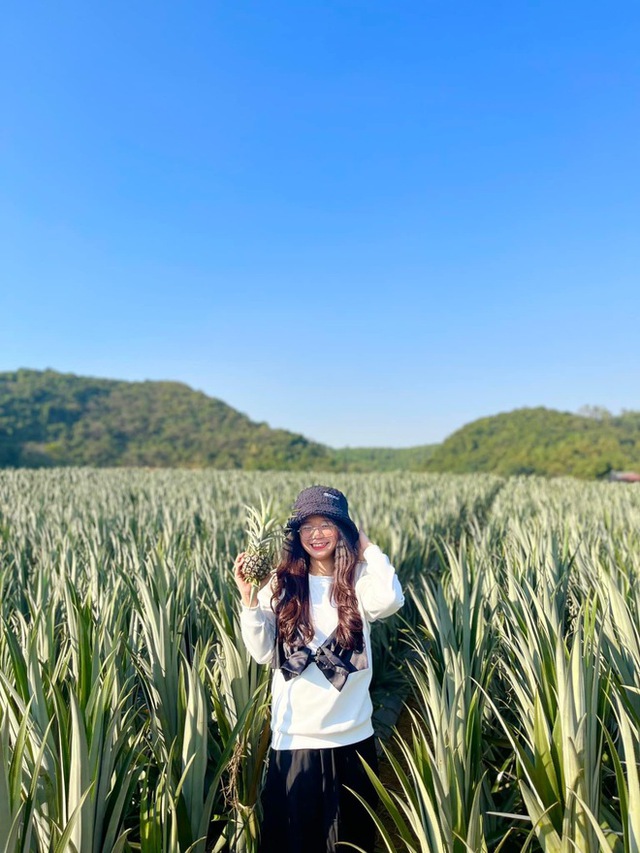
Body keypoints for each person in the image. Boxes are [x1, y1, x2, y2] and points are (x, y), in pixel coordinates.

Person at [234, 485, 404, 853]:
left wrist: (366, 545)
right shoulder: (281, 583)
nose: (316, 534)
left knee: (350, 843)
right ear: (297, 535)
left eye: (326, 524)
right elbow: (263, 653)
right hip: (295, 740)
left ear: (343, 530)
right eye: (307, 526)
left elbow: (391, 598)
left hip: (351, 740)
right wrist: (249, 603)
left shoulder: (358, 580)